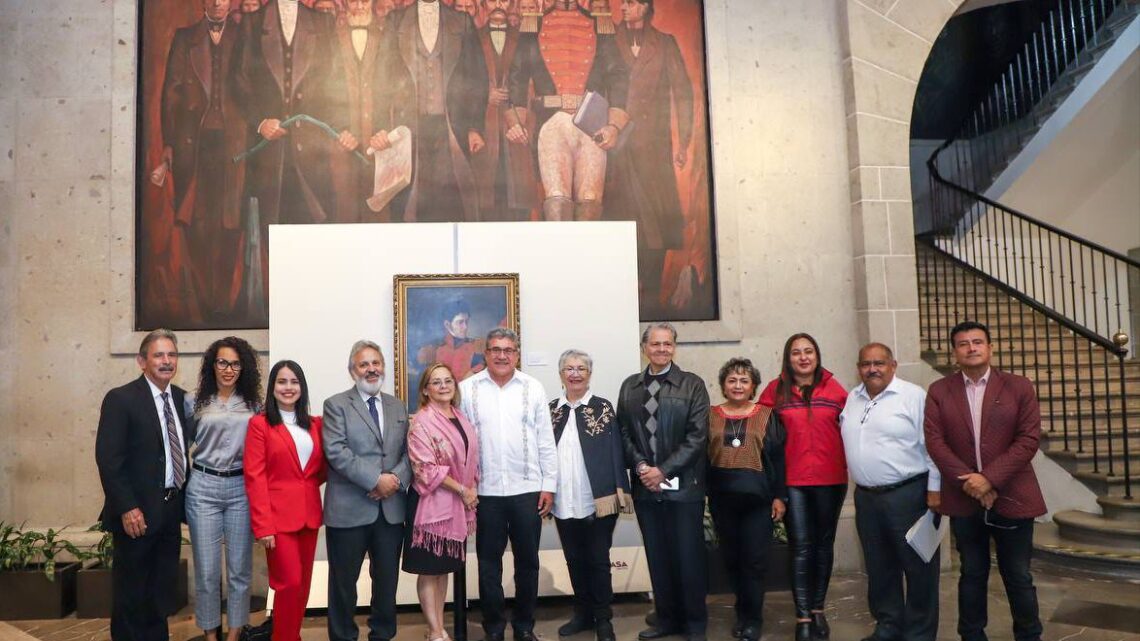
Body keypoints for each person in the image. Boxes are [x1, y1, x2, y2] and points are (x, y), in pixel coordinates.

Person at [924, 321, 1046, 641]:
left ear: (990, 348)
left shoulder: (1018, 386)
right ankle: (972, 635)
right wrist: (973, 484)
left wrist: (989, 479)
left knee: (1018, 575)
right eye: (963, 344)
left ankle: (1029, 635)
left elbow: (1028, 439)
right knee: (972, 573)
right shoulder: (939, 391)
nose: (971, 348)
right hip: (964, 498)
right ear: (955, 353)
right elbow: (935, 442)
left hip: (1013, 494)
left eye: (978, 342)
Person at [459, 328, 558, 641]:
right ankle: (494, 628)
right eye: (495, 349)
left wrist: (549, 485)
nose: (502, 355)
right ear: (486, 353)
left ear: (517, 354)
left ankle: (524, 626)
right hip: (485, 493)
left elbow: (545, 440)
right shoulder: (467, 389)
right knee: (489, 565)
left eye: (509, 350)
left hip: (527, 490)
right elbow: (458, 442)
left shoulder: (533, 388)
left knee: (527, 563)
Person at [96, 329, 194, 641]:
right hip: (135, 515)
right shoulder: (121, 399)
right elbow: (109, 460)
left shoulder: (180, 398)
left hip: (168, 512)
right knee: (131, 595)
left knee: (160, 593)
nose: (167, 361)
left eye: (172, 355)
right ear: (142, 361)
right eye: (159, 355)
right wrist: (127, 507)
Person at [616, 322, 710, 641]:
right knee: (658, 557)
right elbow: (624, 433)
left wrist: (663, 470)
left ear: (674, 347)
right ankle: (667, 620)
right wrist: (642, 466)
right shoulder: (630, 386)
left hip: (685, 489)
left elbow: (698, 437)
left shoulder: (692, 385)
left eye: (667, 344)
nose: (661, 350)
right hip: (646, 488)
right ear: (645, 348)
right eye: (655, 344)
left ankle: (695, 625)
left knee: (688, 558)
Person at [840, 343, 941, 641]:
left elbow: (932, 446)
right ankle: (888, 625)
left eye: (879, 363)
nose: (873, 369)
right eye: (866, 363)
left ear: (893, 365)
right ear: (859, 367)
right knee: (879, 566)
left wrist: (935, 490)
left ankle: (920, 634)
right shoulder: (853, 397)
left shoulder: (913, 396)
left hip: (908, 494)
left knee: (919, 567)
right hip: (867, 498)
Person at [160, 0, 249, 323]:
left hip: (235, 146)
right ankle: (201, 301)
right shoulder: (185, 38)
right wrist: (169, 143)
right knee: (197, 226)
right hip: (193, 147)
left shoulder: (244, 35)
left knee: (229, 224)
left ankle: (223, 302)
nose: (218, 3)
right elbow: (170, 94)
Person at [758, 333, 848, 641]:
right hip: (792, 481)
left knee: (824, 546)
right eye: (796, 352)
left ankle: (819, 609)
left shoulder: (835, 388)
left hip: (831, 479)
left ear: (817, 355)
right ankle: (803, 616)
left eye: (809, 351)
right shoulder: (775, 390)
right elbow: (762, 437)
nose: (803, 357)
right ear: (788, 358)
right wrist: (773, 488)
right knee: (801, 547)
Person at [606, 0, 694, 316]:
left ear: (645, 7)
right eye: (623, 4)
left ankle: (652, 295)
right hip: (613, 146)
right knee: (620, 219)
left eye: (631, 3)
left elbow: (683, 93)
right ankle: (619, 297)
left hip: (653, 148)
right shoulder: (606, 38)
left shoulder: (665, 44)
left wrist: (683, 140)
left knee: (655, 222)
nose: (624, 8)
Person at [505, 0, 630, 221]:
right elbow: (517, 77)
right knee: (556, 201)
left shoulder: (600, 25)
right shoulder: (533, 25)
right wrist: (516, 120)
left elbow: (618, 77)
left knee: (590, 202)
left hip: (592, 126)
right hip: (551, 125)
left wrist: (614, 125)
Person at [322, 341, 411, 641]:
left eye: (376, 362)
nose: (372, 369)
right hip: (349, 509)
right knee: (343, 584)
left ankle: (383, 635)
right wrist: (376, 480)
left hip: (391, 511)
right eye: (364, 364)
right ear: (352, 371)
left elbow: (409, 453)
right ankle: (343, 636)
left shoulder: (397, 406)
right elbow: (336, 452)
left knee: (387, 583)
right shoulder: (336, 405)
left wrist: (395, 480)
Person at [379, 0, 489, 222]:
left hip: (451, 128)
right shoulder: (395, 21)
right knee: (408, 204)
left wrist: (474, 127)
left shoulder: (462, 22)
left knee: (448, 203)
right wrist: (381, 127)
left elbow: (477, 78)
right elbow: (381, 79)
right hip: (408, 129)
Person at [548, 349, 632, 641]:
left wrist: (621, 490)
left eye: (581, 368)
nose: (575, 373)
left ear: (589, 373)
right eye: (569, 368)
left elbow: (616, 452)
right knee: (574, 560)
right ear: (561, 374)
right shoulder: (551, 410)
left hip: (598, 499)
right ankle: (582, 614)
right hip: (562, 500)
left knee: (597, 559)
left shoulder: (603, 407)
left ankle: (603, 618)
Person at [184, 337, 262, 641]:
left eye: (235, 363)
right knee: (206, 571)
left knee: (240, 571)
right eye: (222, 362)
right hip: (203, 487)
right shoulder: (194, 401)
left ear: (243, 367)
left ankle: (233, 634)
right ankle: (210, 635)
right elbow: (183, 442)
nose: (228, 369)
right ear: (212, 365)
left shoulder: (255, 406)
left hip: (241, 488)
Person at [244, 360, 325, 641]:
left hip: (310, 515)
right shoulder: (260, 424)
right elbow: (255, 477)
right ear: (272, 387)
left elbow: (320, 470)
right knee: (288, 583)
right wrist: (262, 525)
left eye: (294, 382)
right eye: (282, 382)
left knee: (302, 586)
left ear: (302, 387)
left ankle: (290, 635)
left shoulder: (315, 425)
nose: (288, 388)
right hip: (277, 519)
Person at [707, 358, 786, 641]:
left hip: (757, 500)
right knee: (732, 560)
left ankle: (753, 618)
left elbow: (777, 458)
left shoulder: (767, 415)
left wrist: (779, 496)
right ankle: (741, 612)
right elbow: (703, 458)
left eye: (744, 380)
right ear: (723, 385)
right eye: (732, 380)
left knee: (754, 561)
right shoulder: (710, 415)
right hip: (722, 499)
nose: (737, 385)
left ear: (753, 386)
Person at [404, 363, 481, 641]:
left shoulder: (460, 416)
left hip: (456, 507)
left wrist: (471, 487)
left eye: (448, 380)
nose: (444, 386)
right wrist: (463, 489)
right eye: (436, 382)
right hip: (429, 506)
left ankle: (436, 628)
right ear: (425, 389)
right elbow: (424, 467)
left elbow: (470, 459)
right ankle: (435, 631)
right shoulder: (422, 421)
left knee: (443, 568)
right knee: (428, 570)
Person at [469, 0, 540, 221]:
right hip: (485, 126)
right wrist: (484, 95)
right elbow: (462, 81)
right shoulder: (471, 38)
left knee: (518, 198)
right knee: (486, 199)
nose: (499, 4)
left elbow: (536, 81)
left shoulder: (527, 38)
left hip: (519, 126)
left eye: (505, 0)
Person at [328, 0, 397, 223]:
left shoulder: (389, 34)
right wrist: (339, 129)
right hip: (341, 143)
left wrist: (386, 129)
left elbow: (399, 87)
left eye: (364, 0)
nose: (358, 6)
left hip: (380, 143)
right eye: (352, 0)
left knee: (377, 215)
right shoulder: (329, 35)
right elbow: (319, 88)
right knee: (343, 214)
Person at [416, 299, 486, 386]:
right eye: (460, 322)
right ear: (447, 325)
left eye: (466, 322)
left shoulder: (476, 347)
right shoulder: (431, 350)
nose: (465, 327)